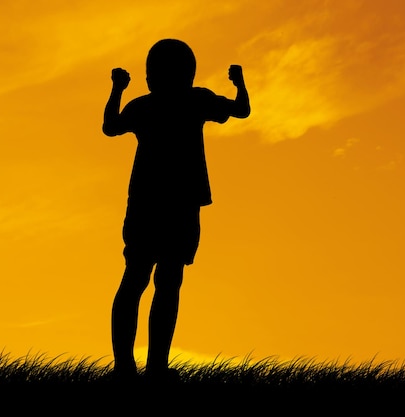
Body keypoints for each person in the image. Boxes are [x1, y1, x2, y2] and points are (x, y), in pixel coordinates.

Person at [102, 38, 250, 381]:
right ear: (190, 73)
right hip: (180, 202)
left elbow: (110, 126)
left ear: (151, 75)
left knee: (138, 278)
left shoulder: (145, 106)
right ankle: (152, 367)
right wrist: (240, 84)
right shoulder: (196, 100)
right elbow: (242, 109)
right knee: (165, 280)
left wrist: (117, 90)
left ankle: (130, 366)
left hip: (148, 202)